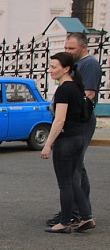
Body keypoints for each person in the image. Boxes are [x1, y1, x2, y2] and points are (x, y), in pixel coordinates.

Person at [45, 32, 103, 227]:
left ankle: (71, 215)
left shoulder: (89, 66)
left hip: (76, 128)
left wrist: (48, 144)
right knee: (75, 172)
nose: (68, 51)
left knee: (72, 175)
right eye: (66, 48)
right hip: (78, 127)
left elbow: (63, 117)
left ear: (83, 47)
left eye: (71, 48)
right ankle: (80, 214)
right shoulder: (75, 79)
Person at [40, 52, 95, 233]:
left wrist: (48, 144)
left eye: (54, 67)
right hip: (79, 137)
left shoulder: (63, 90)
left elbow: (60, 119)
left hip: (67, 140)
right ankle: (86, 217)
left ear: (66, 69)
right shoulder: (78, 87)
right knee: (73, 180)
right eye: (50, 66)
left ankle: (65, 222)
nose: (51, 70)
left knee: (65, 183)